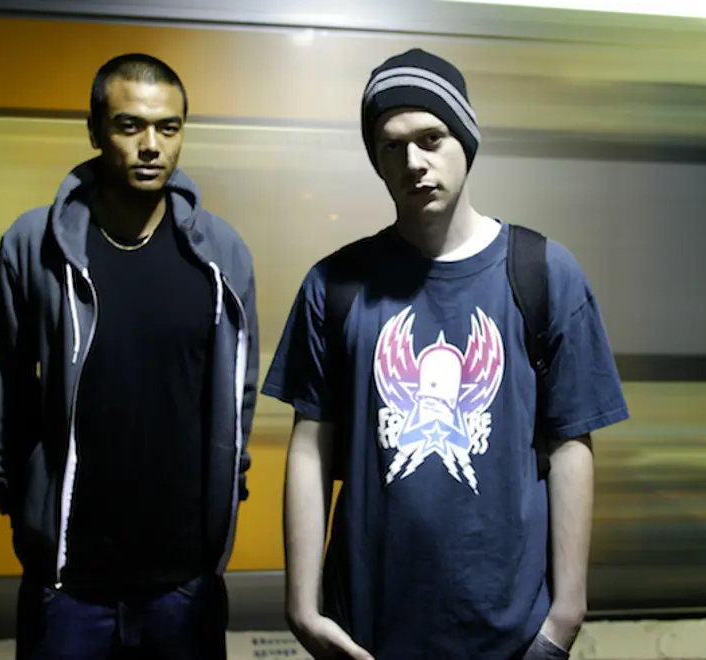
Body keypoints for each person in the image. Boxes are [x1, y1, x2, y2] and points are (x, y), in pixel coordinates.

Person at [261, 48, 629, 659]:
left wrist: (566, 614)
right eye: (391, 146)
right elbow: (310, 443)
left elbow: (571, 441)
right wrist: (301, 607)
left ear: (466, 139)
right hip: (368, 628)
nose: (413, 162)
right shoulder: (336, 284)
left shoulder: (543, 273)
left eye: (431, 138)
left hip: (510, 630)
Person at [0, 53, 259, 659]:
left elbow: (238, 392)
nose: (151, 145)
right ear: (95, 130)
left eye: (168, 128)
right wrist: (21, 502)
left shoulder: (221, 253)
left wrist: (228, 493)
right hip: (68, 581)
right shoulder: (34, 245)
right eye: (130, 126)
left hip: (183, 579)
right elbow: (5, 386)